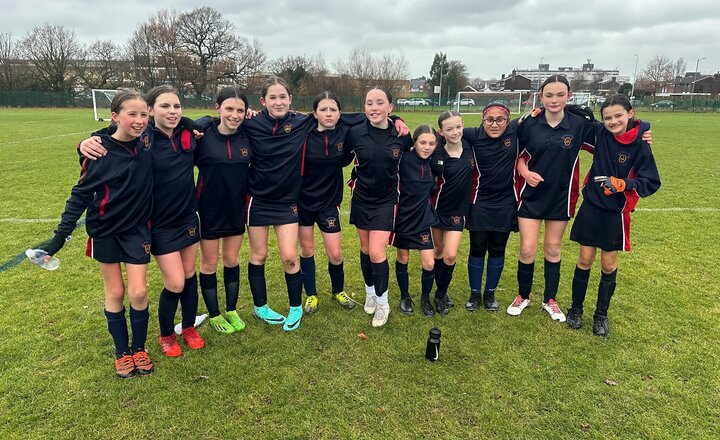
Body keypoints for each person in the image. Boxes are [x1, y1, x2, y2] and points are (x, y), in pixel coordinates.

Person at [78, 86, 205, 357]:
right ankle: (166, 334)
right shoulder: (143, 137)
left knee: (190, 274)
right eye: (164, 107)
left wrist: (191, 122)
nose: (172, 112)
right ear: (150, 111)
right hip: (158, 223)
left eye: (177, 106)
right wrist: (86, 142)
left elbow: (209, 122)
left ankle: (190, 326)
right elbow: (112, 140)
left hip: (188, 217)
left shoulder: (189, 133)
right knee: (175, 283)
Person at [40, 90, 155, 378]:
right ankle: (122, 353)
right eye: (132, 114)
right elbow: (79, 195)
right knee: (116, 291)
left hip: (138, 229)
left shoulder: (148, 139)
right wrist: (59, 237)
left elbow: (179, 121)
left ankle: (139, 348)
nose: (139, 120)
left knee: (139, 291)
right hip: (105, 230)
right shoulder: (99, 151)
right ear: (115, 116)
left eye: (144, 114)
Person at [567, 94, 660, 336]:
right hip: (591, 208)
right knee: (584, 260)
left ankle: (601, 315)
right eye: (607, 117)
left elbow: (650, 182)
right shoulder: (601, 134)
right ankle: (576, 310)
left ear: (631, 113)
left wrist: (624, 184)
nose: (613, 121)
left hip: (615, 213)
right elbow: (575, 117)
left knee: (608, 265)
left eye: (618, 115)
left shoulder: (640, 144)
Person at [345, 86, 414, 327]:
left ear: (390, 107)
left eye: (380, 103)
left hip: (387, 201)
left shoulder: (402, 135)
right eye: (369, 103)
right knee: (365, 250)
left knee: (377, 251)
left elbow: (417, 160)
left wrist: (399, 121)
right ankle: (370, 293)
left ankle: (383, 304)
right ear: (364, 107)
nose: (374, 108)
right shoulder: (354, 133)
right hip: (361, 199)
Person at [194, 87, 252, 336]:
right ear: (217, 107)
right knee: (209, 263)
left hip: (235, 209)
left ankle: (231, 309)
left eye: (240, 110)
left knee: (231, 260)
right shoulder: (202, 135)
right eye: (229, 108)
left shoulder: (248, 135)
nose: (235, 115)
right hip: (208, 209)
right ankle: (215, 313)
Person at [298, 92, 356, 313]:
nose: (328, 113)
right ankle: (311, 295)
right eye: (323, 109)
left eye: (333, 109)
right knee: (307, 249)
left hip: (329, 203)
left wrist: (397, 120)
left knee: (335, 253)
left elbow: (363, 117)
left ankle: (338, 291)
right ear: (315, 113)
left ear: (340, 113)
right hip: (303, 201)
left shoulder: (345, 133)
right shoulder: (303, 132)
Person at [461, 103, 519, 312]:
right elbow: (443, 129)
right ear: (483, 120)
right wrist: (398, 121)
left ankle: (490, 293)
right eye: (489, 120)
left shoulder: (516, 131)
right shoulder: (473, 135)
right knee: (477, 247)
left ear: (508, 120)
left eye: (500, 120)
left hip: (506, 203)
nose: (494, 124)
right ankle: (475, 294)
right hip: (479, 201)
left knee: (497, 248)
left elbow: (541, 115)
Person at [393, 125, 441, 317]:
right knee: (403, 257)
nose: (427, 147)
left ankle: (425, 298)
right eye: (422, 142)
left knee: (429, 263)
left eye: (431, 143)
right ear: (414, 142)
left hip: (423, 218)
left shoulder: (436, 163)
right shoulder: (404, 160)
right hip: (403, 217)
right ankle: (405, 296)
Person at [431, 111, 474, 312]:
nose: (455, 132)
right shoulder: (437, 154)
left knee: (450, 255)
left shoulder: (471, 149)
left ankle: (440, 294)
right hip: (437, 210)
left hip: (458, 211)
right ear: (441, 132)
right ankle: (440, 288)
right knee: (437, 251)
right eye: (449, 129)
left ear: (463, 125)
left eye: (458, 127)